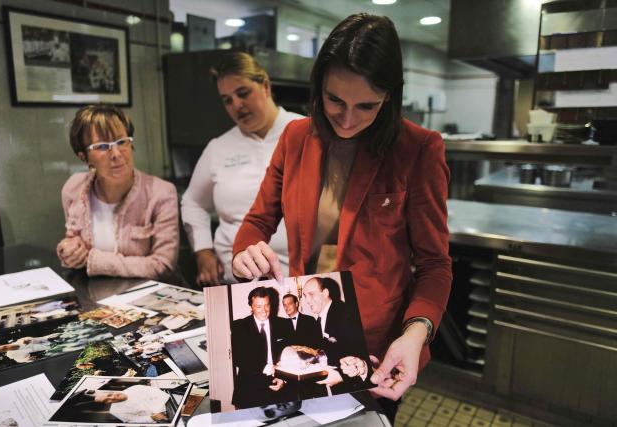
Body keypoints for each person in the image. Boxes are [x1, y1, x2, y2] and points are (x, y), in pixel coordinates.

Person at [231, 13, 452, 421]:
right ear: (319, 89)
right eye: (335, 100)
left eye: (366, 105)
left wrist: (416, 332)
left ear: (389, 96)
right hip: (299, 328)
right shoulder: (296, 137)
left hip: (376, 346)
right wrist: (245, 250)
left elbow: (435, 264)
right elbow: (258, 221)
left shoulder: (418, 149)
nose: (348, 119)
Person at [181, 52, 304, 286]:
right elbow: (193, 202)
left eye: (243, 93)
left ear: (265, 86)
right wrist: (203, 251)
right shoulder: (219, 147)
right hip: (236, 281)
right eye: (227, 100)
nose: (237, 105)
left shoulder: (304, 132)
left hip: (298, 280)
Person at [56, 104, 179, 280]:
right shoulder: (74, 188)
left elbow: (163, 266)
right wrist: (69, 249)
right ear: (83, 157)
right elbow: (72, 238)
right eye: (102, 146)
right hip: (95, 296)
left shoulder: (161, 193)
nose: (116, 154)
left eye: (121, 142)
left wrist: (95, 260)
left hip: (146, 297)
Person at [230, 286, 293, 409]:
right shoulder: (240, 326)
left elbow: (291, 353)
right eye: (258, 306)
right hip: (250, 390)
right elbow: (239, 358)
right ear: (251, 306)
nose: (264, 310)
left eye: (267, 305)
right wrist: (269, 368)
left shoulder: (284, 324)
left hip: (279, 387)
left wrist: (283, 378)